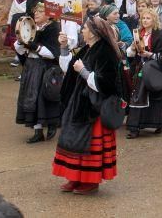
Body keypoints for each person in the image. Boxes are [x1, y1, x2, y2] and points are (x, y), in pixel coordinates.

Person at [52, 15, 123, 194]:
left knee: (89, 145)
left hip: (94, 107)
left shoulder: (106, 52)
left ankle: (90, 181)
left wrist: (83, 71)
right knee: (74, 141)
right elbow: (68, 68)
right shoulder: (87, 49)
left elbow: (105, 84)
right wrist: (63, 47)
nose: (82, 31)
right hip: (79, 103)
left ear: (93, 32)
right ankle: (75, 177)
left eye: (84, 28)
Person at [15, 2, 61, 143]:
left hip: (45, 68)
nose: (36, 14)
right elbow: (21, 50)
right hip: (31, 66)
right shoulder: (31, 27)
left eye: (40, 12)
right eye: (36, 12)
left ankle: (51, 124)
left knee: (43, 97)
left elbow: (53, 54)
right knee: (31, 98)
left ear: (49, 15)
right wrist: (20, 42)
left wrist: (33, 45)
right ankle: (38, 131)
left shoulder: (53, 28)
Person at [125, 9, 162, 139]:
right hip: (140, 70)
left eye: (148, 18)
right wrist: (133, 48)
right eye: (143, 18)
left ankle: (159, 123)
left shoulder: (159, 35)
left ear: (154, 20)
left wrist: (149, 54)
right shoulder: (138, 33)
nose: (145, 20)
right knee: (137, 96)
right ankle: (134, 128)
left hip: (155, 70)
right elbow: (130, 54)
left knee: (155, 96)